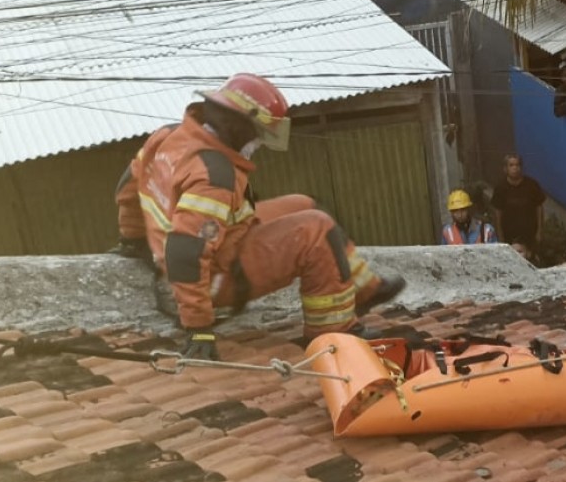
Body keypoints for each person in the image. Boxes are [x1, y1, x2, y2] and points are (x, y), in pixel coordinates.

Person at [111, 73, 405, 357]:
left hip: (222, 241)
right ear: (238, 126)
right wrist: (198, 327)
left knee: (307, 205)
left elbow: (129, 185)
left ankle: (365, 289)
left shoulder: (168, 136)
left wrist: (133, 239)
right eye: (258, 133)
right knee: (318, 230)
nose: (259, 142)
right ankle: (333, 334)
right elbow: (186, 252)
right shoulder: (214, 177)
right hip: (215, 277)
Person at [491, 153, 545, 256]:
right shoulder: (500, 188)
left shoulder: (532, 185)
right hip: (509, 236)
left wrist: (540, 231)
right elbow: (497, 213)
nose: (515, 168)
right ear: (505, 169)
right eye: (511, 165)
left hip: (530, 235)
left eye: (517, 165)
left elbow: (539, 208)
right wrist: (500, 235)